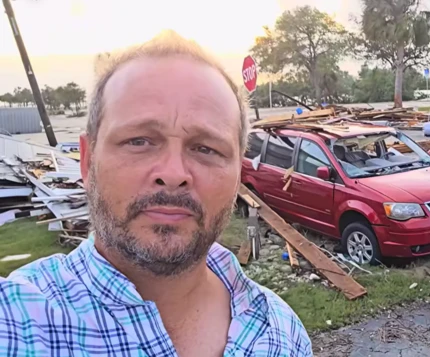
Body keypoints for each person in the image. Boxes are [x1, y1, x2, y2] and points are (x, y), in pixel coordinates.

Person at [0, 31, 312, 356]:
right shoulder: (19, 321)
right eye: (139, 141)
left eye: (205, 148)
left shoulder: (282, 333)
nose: (174, 174)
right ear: (88, 161)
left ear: (238, 175)